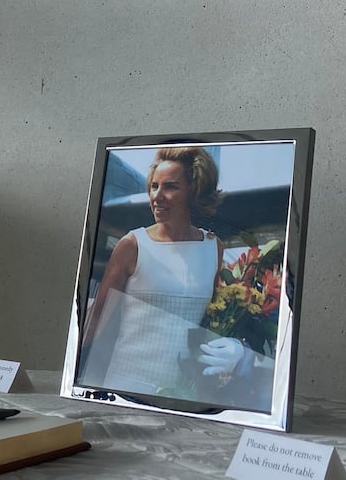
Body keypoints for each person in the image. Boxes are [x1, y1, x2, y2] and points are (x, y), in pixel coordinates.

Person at [78, 145, 246, 400]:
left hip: (185, 394)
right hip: (126, 390)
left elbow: (210, 320)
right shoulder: (132, 245)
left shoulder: (214, 247)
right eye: (154, 186)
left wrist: (238, 348)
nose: (156, 196)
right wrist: (72, 380)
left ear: (193, 191)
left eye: (170, 186)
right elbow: (96, 323)